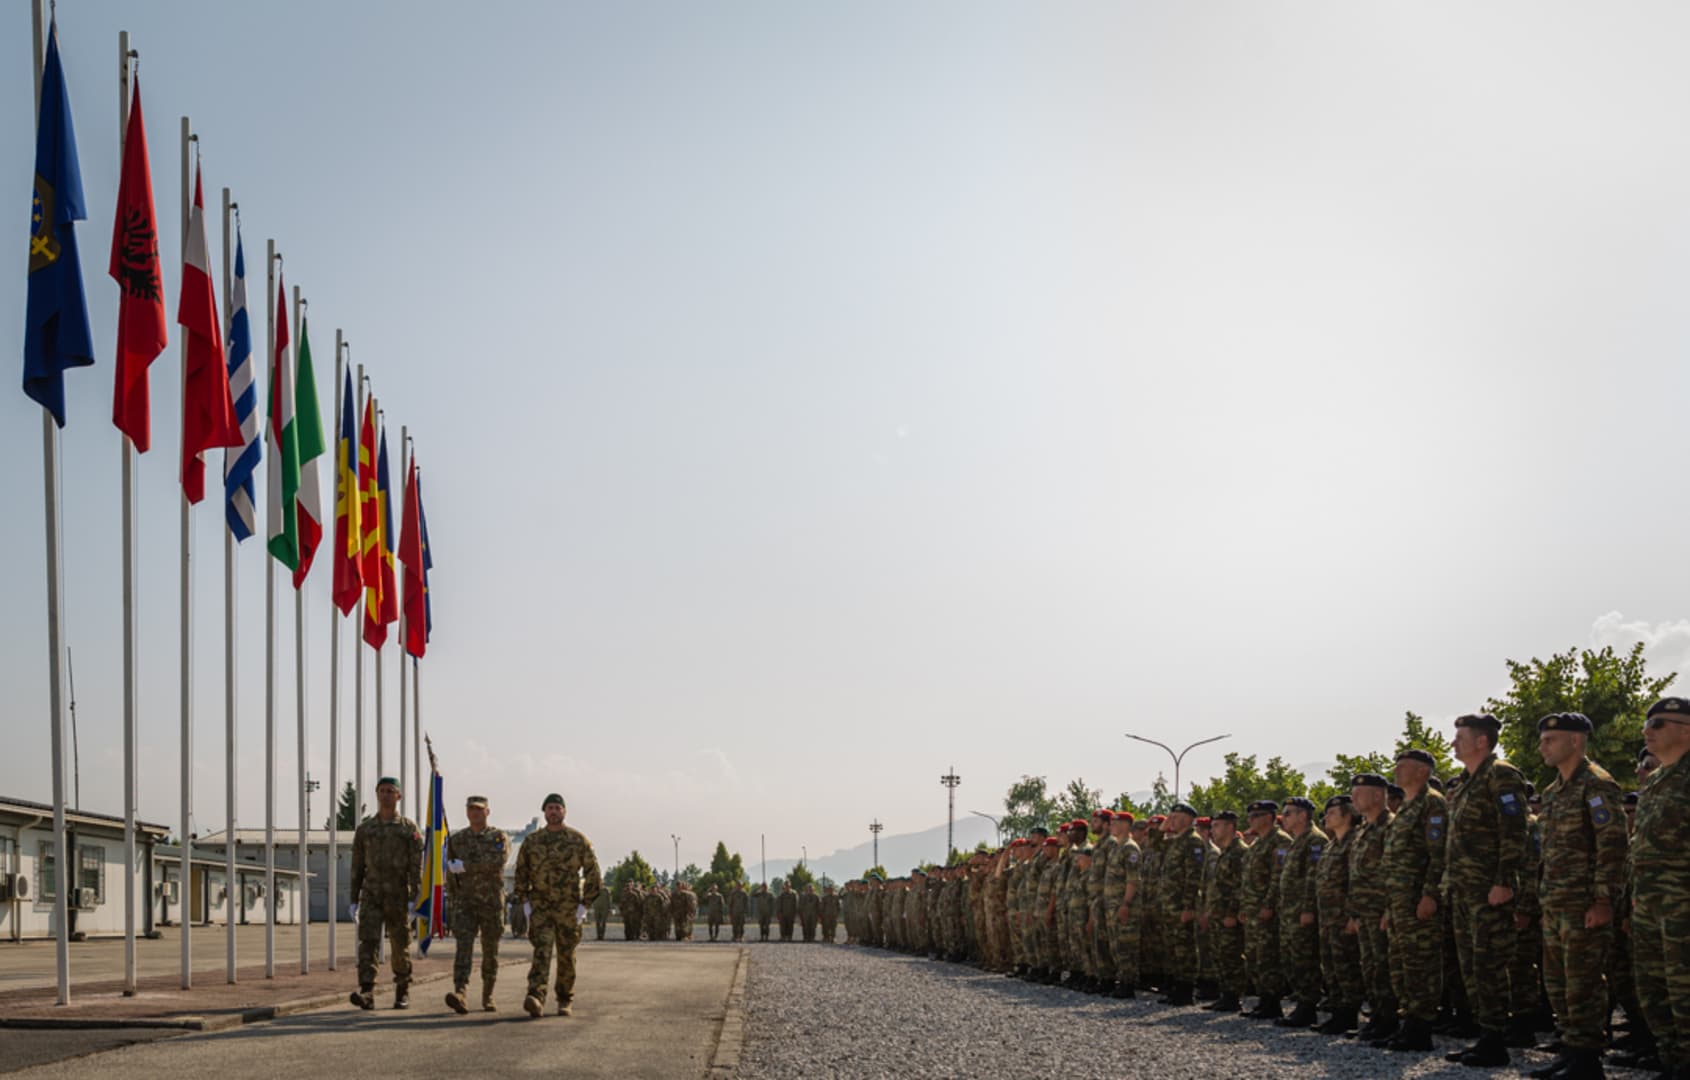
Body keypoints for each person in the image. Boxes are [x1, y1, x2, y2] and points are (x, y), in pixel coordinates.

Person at [1531, 712, 1628, 1080]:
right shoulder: (1553, 793)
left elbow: (1613, 844)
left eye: (1549, 740)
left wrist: (1603, 901)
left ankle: (1588, 1061)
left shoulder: (1597, 785)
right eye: (1542, 740)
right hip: (1555, 905)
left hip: (1584, 905)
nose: (1543, 746)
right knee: (1557, 984)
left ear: (1575, 741)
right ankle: (1572, 1052)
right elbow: (1549, 853)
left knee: (1583, 983)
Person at [1439, 713, 1531, 1068]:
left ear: (1481, 741)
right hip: (1464, 891)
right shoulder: (1465, 783)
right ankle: (1485, 1035)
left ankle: (1495, 1039)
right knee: (1473, 967)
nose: (1453, 743)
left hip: (1489, 890)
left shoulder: (1501, 774)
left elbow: (1515, 831)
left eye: (1459, 736)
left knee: (1490, 964)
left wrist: (1504, 881)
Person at [1629, 697, 1690, 1080]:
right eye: (1646, 725)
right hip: (1650, 906)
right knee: (1654, 987)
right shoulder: (1656, 783)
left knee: (1685, 990)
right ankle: (1673, 1061)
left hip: (1682, 903)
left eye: (1658, 724)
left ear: (1686, 730)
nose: (1647, 731)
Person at [1377, 748, 1448, 1052]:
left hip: (1418, 901)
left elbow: (1438, 853)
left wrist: (1430, 893)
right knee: (1401, 965)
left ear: (1422, 771)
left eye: (1403, 766)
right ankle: (1408, 1023)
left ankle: (1421, 1028)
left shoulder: (1432, 803)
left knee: (1421, 964)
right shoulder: (1406, 807)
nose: (1397, 771)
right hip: (1399, 902)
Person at [513, 793, 601, 1018]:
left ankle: (564, 999)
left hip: (568, 908)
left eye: (557, 808)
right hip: (540, 906)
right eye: (549, 808)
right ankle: (536, 997)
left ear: (564, 811)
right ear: (544, 812)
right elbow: (521, 871)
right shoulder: (533, 841)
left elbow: (593, 872)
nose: (553, 811)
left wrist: (585, 904)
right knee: (541, 952)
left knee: (566, 954)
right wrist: (524, 901)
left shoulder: (577, 840)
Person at [349, 777, 422, 1010]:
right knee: (367, 944)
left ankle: (402, 991)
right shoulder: (365, 829)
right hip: (371, 895)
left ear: (399, 796)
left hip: (398, 896)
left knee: (400, 945)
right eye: (381, 791)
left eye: (390, 791)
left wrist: (415, 899)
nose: (385, 795)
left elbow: (416, 866)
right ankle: (367, 992)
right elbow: (357, 866)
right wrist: (353, 900)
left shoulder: (408, 829)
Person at [443, 794, 509, 1014]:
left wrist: (466, 866)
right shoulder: (457, 840)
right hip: (465, 903)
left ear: (487, 812)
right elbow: (451, 870)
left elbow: (497, 861)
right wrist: (452, 895)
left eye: (479, 809)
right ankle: (460, 992)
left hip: (490, 902)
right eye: (471, 809)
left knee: (490, 950)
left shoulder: (498, 837)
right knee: (463, 948)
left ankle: (488, 994)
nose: (475, 813)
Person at [1346, 773, 1398, 1043]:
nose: (1353, 798)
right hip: (1364, 911)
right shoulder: (1363, 829)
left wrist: (1390, 909)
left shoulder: (1390, 826)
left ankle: (1389, 1019)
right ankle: (1377, 1017)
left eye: (1359, 792)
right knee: (1370, 966)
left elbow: (1394, 870)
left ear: (1378, 795)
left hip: (1381, 910)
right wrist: (1354, 912)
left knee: (1384, 965)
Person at [1275, 796, 1328, 1029]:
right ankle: (1302, 1005)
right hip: (1290, 912)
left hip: (1302, 912)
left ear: (1302, 815)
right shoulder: (1296, 841)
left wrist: (1307, 908)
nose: (1283, 818)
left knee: (1305, 959)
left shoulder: (1315, 840)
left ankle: (1308, 1007)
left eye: (1288, 813)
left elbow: (1312, 878)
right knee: (1294, 959)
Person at [1313, 794, 1362, 1034]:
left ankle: (1349, 1014)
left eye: (1333, 812)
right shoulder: (1333, 843)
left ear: (1348, 815)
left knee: (1347, 967)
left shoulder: (1354, 841)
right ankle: (1337, 1010)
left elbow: (1357, 881)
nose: (1327, 817)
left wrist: (1353, 914)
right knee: (1332, 966)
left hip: (1343, 916)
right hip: (1328, 916)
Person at [1241, 800, 1291, 1020]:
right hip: (1252, 910)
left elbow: (1277, 877)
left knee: (1268, 957)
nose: (1251, 820)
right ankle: (1263, 999)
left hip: (1266, 910)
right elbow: (1248, 881)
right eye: (1250, 816)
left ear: (1270, 817)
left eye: (1256, 816)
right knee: (1254, 956)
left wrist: (1268, 904)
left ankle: (1272, 1001)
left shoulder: (1279, 842)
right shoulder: (1257, 844)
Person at [1201, 810, 1246, 1013]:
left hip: (1229, 915)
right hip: (1218, 913)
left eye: (1217, 826)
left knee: (1231, 955)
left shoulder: (1239, 852)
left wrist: (1231, 912)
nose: (1212, 830)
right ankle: (1226, 994)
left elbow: (1240, 886)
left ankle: (1233, 996)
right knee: (1220, 954)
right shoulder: (1224, 852)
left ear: (1230, 827)